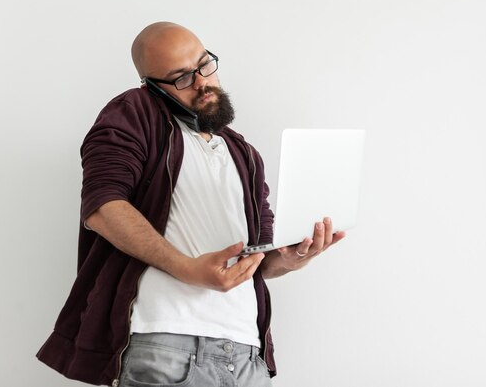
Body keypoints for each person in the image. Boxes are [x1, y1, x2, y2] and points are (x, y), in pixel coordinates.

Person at [36, 22, 345, 387]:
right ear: (151, 87)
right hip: (167, 345)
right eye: (181, 77)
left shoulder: (244, 153)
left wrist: (291, 259)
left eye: (204, 65)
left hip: (248, 353)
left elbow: (259, 260)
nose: (202, 82)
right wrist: (185, 267)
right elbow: (103, 206)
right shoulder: (134, 112)